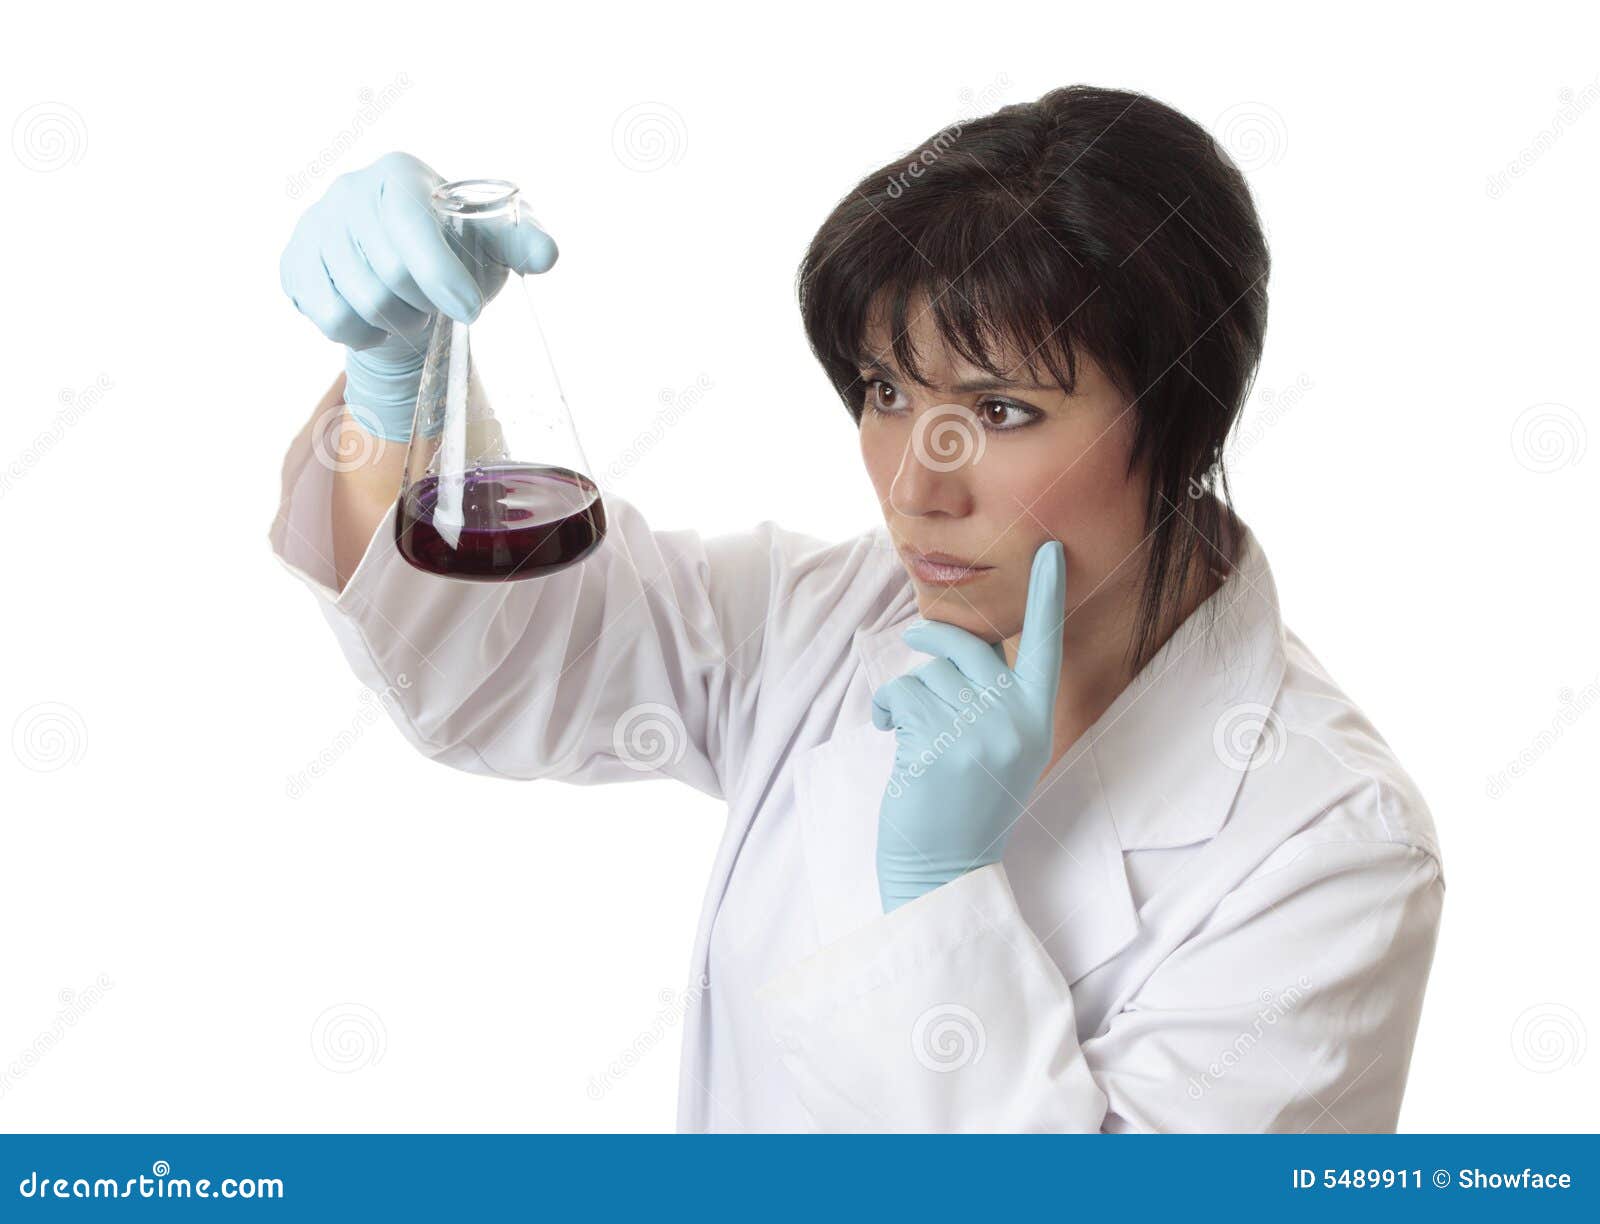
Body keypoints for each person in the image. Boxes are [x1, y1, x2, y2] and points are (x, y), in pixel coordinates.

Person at [270, 85, 1444, 1132]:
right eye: (886, 391)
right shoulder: (822, 620)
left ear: (1183, 421)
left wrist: (937, 903)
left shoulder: (1328, 844)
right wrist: (398, 378)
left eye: (1000, 411)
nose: (914, 485)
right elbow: (498, 668)